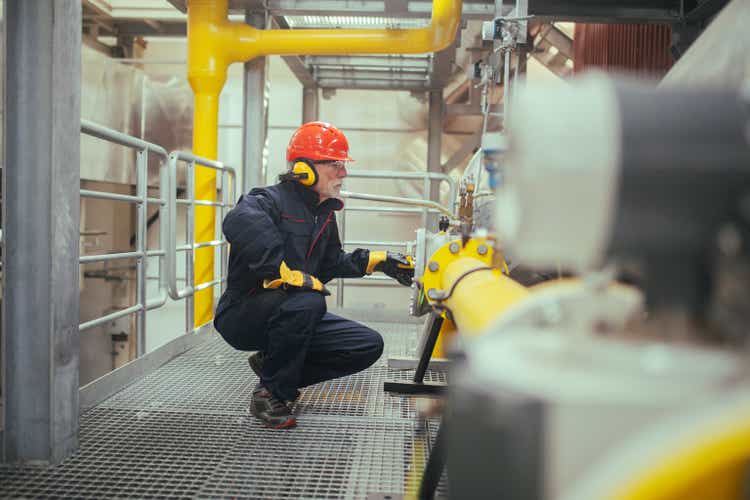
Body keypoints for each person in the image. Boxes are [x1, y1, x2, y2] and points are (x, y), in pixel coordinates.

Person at [214, 121, 414, 429]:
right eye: (335, 165)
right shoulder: (268, 199)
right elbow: (238, 220)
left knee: (367, 344)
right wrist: (278, 269)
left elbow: (331, 262)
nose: (343, 173)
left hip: (291, 313)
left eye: (343, 165)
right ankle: (269, 395)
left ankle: (271, 368)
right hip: (242, 314)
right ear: (305, 168)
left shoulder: (323, 213)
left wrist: (377, 261)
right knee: (310, 300)